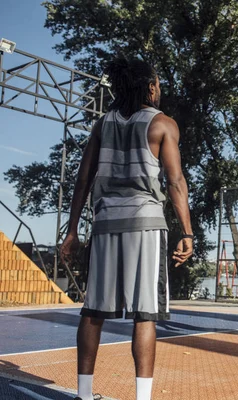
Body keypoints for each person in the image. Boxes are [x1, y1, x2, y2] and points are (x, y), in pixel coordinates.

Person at [60, 57, 193, 400]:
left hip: (105, 224)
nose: (160, 89)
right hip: (146, 225)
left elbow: (83, 179)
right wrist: (188, 233)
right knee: (145, 313)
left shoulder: (102, 125)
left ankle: (84, 395)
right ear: (149, 87)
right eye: (158, 84)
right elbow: (176, 181)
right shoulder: (163, 124)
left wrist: (72, 230)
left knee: (92, 311)